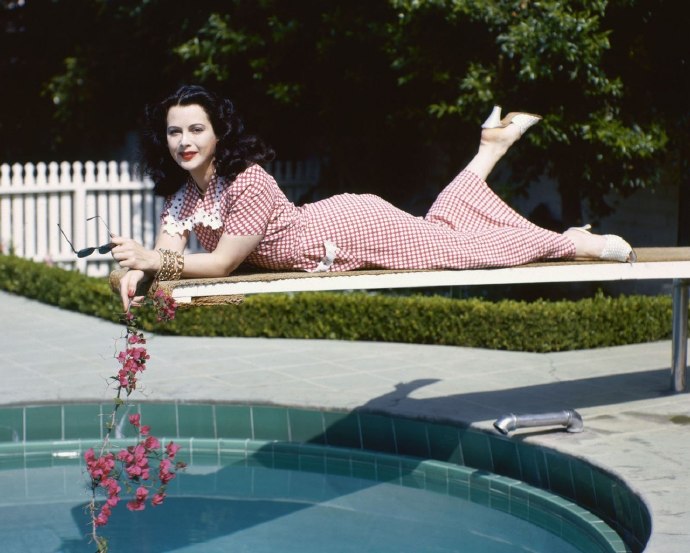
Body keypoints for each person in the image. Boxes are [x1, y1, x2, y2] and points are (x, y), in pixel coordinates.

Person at [111, 85, 635, 310]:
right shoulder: (185, 197)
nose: (185, 142)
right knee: (445, 230)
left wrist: (152, 259)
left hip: (353, 228)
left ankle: (571, 244)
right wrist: (137, 271)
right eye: (175, 132)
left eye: (196, 129)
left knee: (467, 251)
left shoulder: (247, 180)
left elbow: (220, 264)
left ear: (217, 132)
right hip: (335, 234)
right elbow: (170, 255)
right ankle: (489, 148)